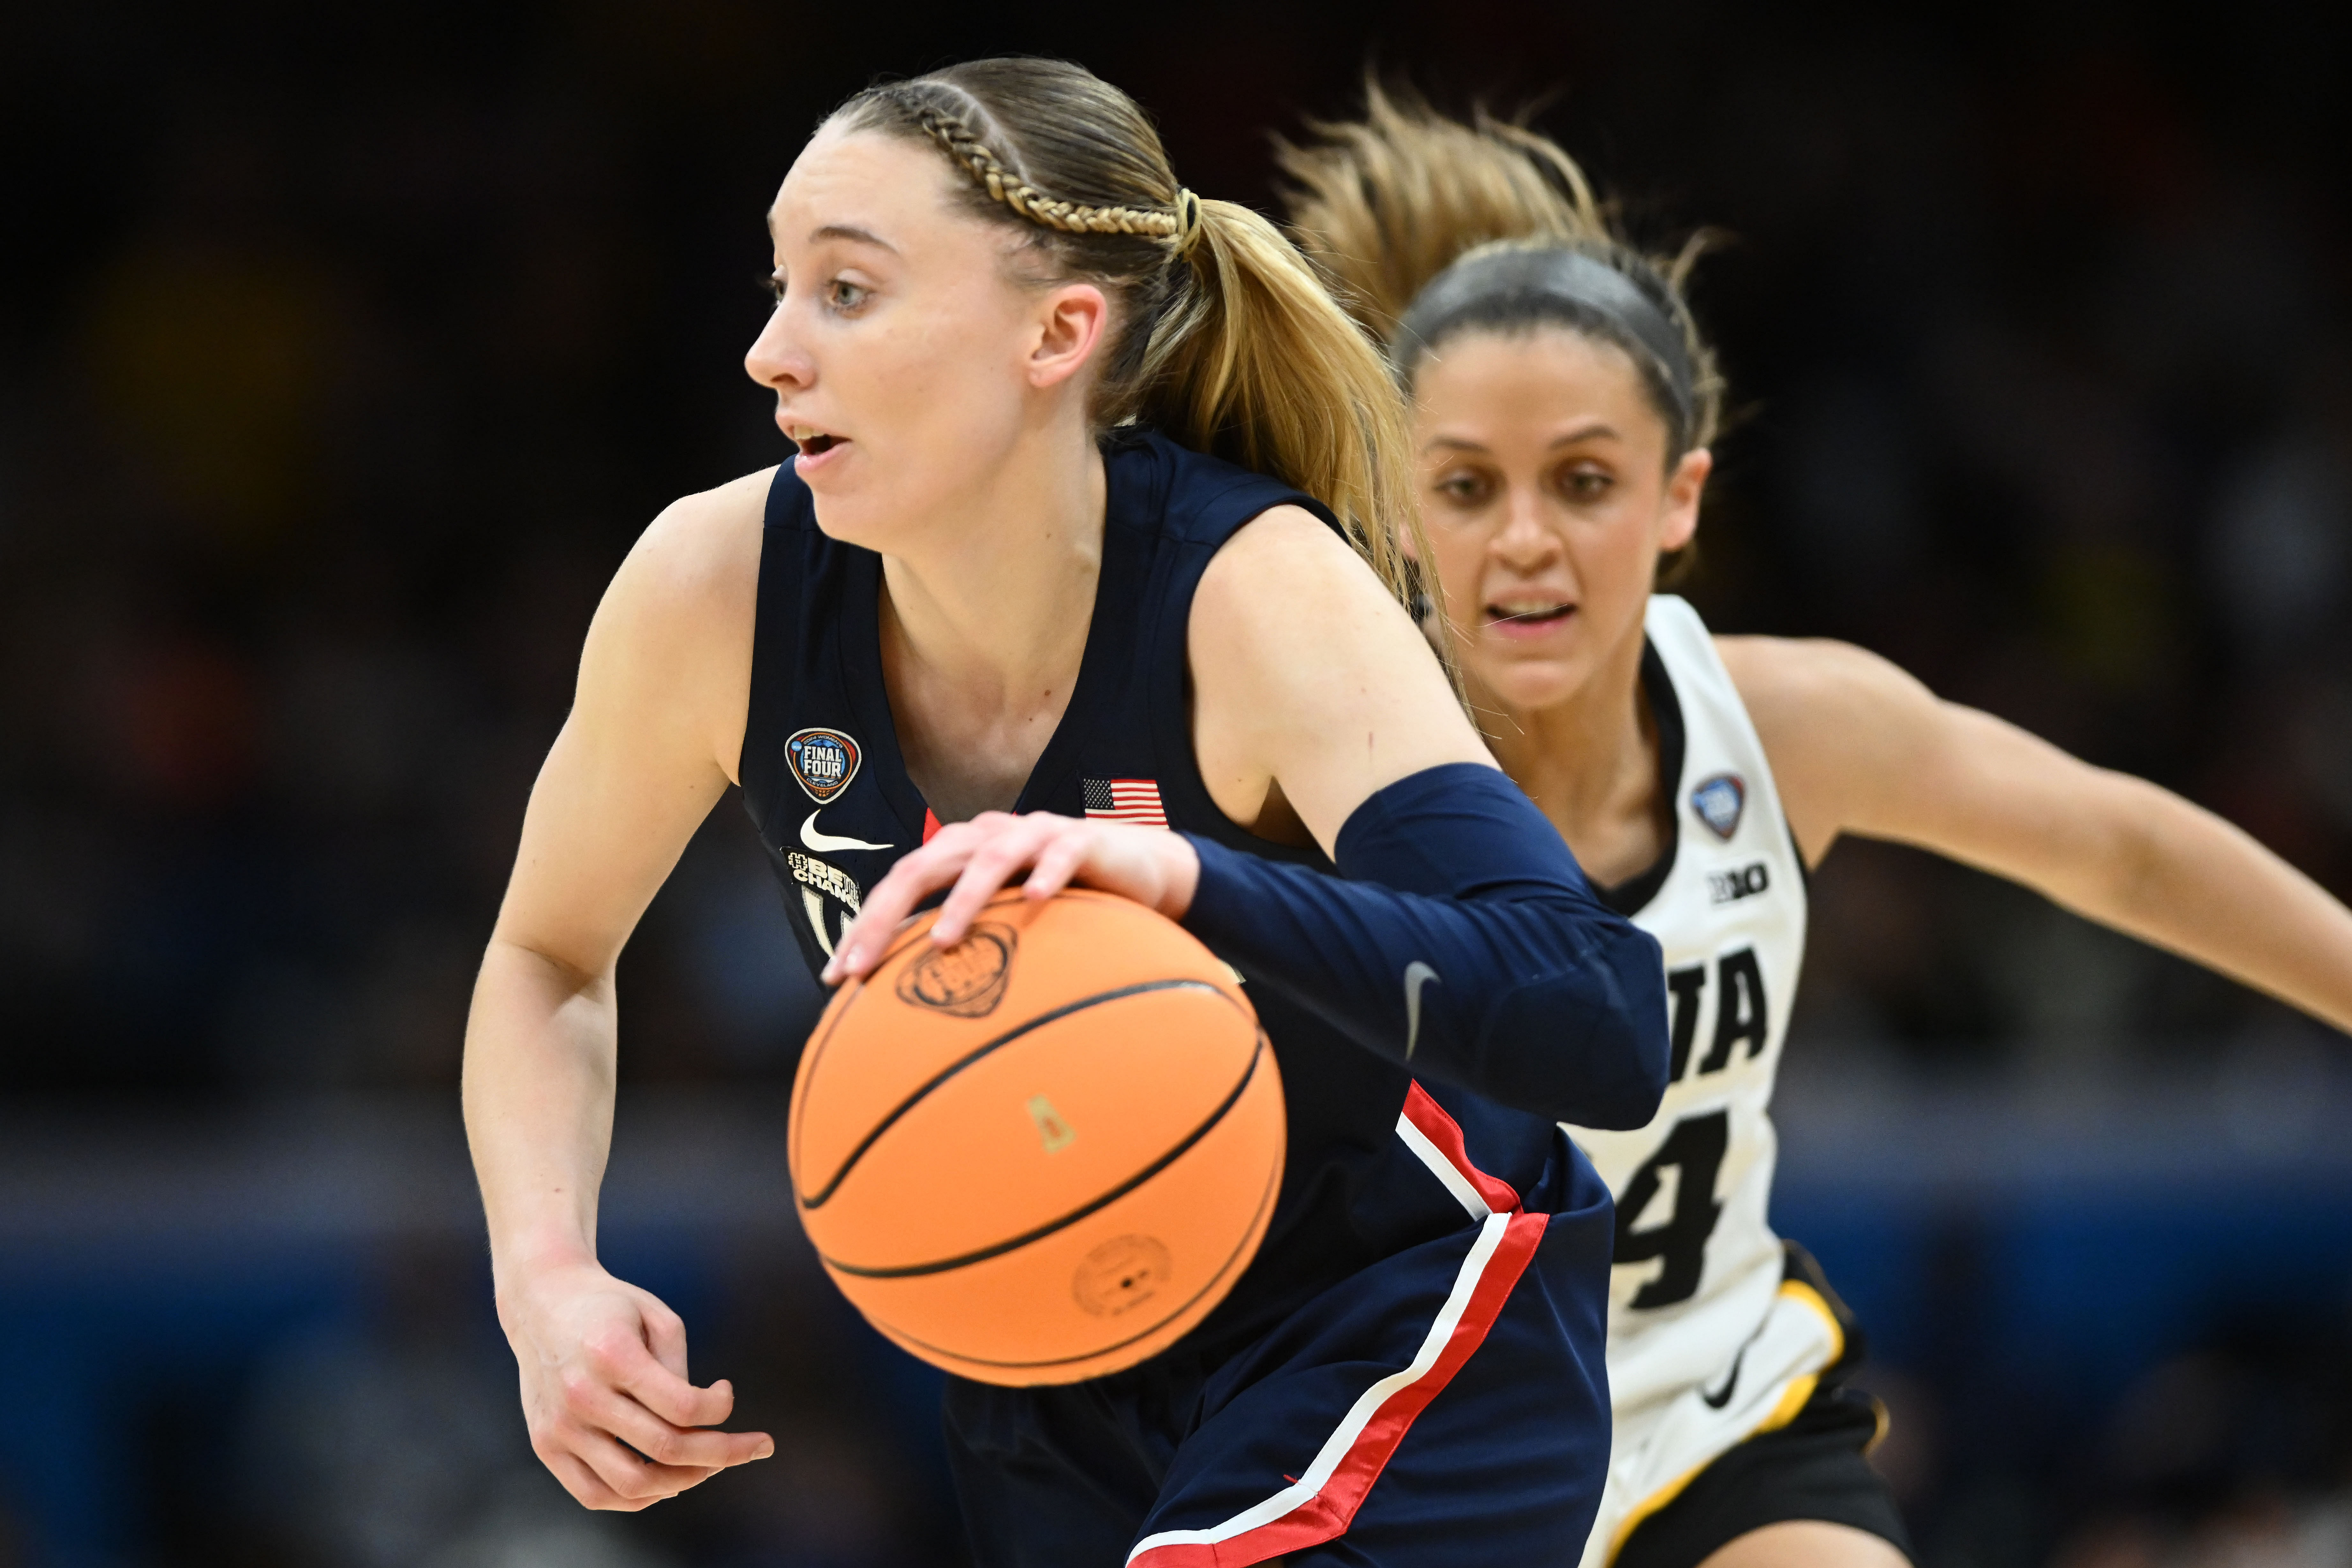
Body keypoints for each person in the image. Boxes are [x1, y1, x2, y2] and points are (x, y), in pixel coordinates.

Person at [462, 58, 1677, 1567]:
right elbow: (546, 955)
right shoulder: (711, 593)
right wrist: (544, 1277)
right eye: (777, 288)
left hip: (1393, 1296)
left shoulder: (1252, 592)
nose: (772, 351)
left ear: (1058, 331)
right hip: (1047, 1344)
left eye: (846, 291)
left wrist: (1176, 880)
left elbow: (1600, 1013)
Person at [1279, 87, 2352, 1568]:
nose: (1524, 536)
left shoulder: (1782, 729)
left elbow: (2119, 847)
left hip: (1702, 1401)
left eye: (1582, 480)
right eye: (1467, 485)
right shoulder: (1306, 769)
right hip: (1404, 1443)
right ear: (1396, 511)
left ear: (1677, 501)